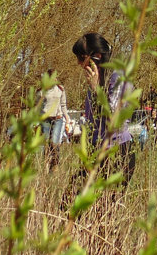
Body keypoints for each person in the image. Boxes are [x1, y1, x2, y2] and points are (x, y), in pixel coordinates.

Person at [71, 33, 135, 184]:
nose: (79, 63)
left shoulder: (118, 78)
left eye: (81, 57)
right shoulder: (97, 80)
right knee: (69, 202)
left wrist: (95, 90)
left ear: (97, 56)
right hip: (97, 150)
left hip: (118, 152)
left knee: (104, 205)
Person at [40, 70, 69, 168]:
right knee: (46, 142)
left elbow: (63, 105)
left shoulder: (61, 89)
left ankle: (55, 165)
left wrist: (67, 119)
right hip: (45, 119)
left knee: (55, 142)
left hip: (58, 118)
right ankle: (46, 165)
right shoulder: (42, 91)